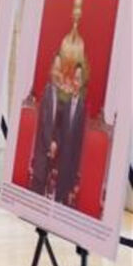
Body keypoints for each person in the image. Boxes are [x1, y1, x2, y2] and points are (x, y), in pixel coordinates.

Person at [31, 53, 63, 195]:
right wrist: (50, 143)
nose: (57, 73)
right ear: (51, 70)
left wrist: (56, 142)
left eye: (59, 69)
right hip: (42, 153)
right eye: (55, 68)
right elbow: (44, 124)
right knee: (37, 191)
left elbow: (58, 124)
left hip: (52, 154)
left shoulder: (59, 95)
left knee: (47, 192)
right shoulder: (47, 92)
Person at [56, 62, 87, 207]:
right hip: (61, 157)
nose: (75, 82)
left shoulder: (83, 108)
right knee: (57, 196)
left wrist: (77, 171)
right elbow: (59, 128)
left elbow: (81, 142)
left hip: (73, 162)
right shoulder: (66, 103)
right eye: (74, 78)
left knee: (66, 201)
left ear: (81, 83)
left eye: (78, 79)